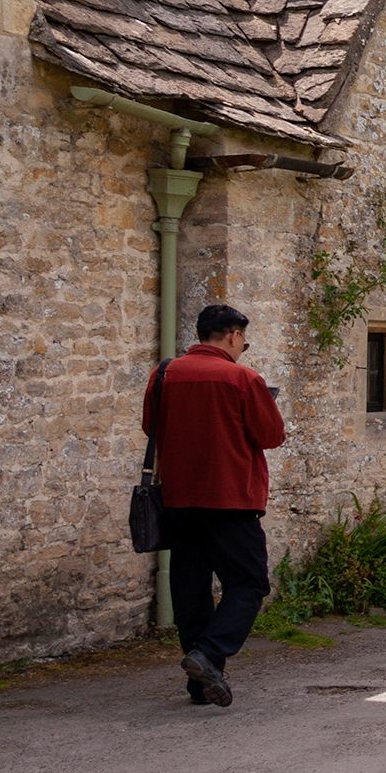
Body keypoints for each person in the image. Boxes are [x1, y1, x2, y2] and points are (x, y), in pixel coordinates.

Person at [141, 304, 285, 709]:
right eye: (244, 341)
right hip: (231, 498)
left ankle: (200, 683)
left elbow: (150, 426)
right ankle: (209, 655)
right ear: (234, 336)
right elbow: (272, 435)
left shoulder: (165, 374)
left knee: (191, 590)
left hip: (179, 498)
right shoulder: (243, 379)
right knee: (249, 582)